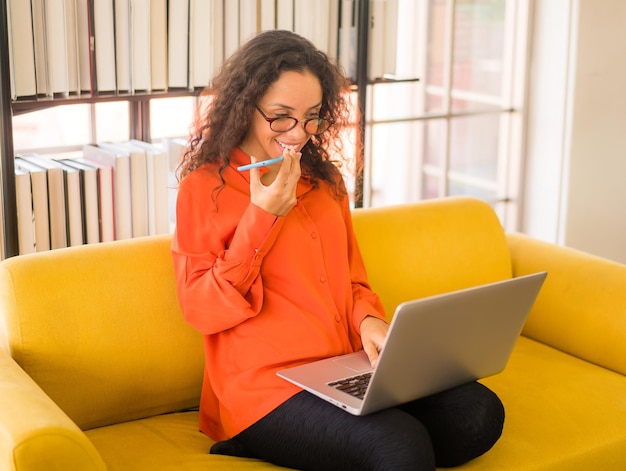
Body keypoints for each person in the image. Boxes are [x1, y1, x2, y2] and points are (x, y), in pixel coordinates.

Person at [171, 30, 504, 471]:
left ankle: (351, 438)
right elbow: (201, 309)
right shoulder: (204, 189)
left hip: (344, 369)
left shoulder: (325, 181)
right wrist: (261, 217)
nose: (298, 133)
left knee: (478, 414)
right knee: (401, 448)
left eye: (312, 117)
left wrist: (369, 321)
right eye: (280, 117)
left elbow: (353, 280)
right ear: (243, 107)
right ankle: (274, 439)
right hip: (265, 388)